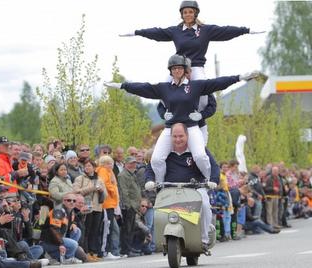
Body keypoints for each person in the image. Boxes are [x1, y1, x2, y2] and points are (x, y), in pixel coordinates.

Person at [105, 55, 258, 184]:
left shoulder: (195, 86)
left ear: (185, 70)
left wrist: (240, 77)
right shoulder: (164, 88)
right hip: (170, 128)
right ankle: (162, 182)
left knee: (199, 155)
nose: (177, 71)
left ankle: (208, 180)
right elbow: (142, 87)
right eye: (174, 69)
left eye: (179, 68)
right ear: (171, 71)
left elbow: (217, 83)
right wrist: (121, 86)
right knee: (157, 159)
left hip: (191, 127)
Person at [119, 0, 264, 80]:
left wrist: (247, 30)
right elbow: (157, 32)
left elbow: (226, 30)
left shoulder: (205, 30)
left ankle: (199, 119)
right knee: (164, 87)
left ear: (195, 14)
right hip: (179, 68)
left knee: (203, 90)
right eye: (185, 13)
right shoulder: (175, 31)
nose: (187, 15)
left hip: (197, 68)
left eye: (190, 12)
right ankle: (169, 114)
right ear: (181, 15)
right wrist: (136, 32)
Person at [145, 123, 219, 253]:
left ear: (187, 135)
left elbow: (213, 165)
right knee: (160, 212)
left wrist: (213, 180)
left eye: (181, 136)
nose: (177, 139)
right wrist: (149, 180)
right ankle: (163, 239)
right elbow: (151, 166)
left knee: (206, 205)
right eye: (174, 136)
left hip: (195, 188)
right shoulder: (165, 152)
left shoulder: (197, 150)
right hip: (171, 189)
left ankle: (203, 240)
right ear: (170, 137)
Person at [0, 194, 47, 268]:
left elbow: (28, 235)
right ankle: (27, 263)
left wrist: (26, 220)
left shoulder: (17, 216)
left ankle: (20, 260)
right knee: (21, 245)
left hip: (12, 246)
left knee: (37, 248)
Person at [73, 158, 107, 261]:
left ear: (94, 168)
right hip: (86, 207)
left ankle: (92, 252)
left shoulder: (99, 179)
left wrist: (101, 190)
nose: (87, 168)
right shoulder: (80, 178)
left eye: (89, 166)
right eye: (86, 166)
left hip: (97, 207)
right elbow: (75, 191)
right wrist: (89, 188)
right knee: (86, 230)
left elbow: (105, 195)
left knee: (94, 231)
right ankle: (86, 251)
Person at [39, 193, 83, 265]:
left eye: (74, 201)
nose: (72, 202)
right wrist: (61, 244)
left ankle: (68, 256)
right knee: (74, 245)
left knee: (77, 231)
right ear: (63, 201)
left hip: (58, 238)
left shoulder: (71, 210)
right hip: (48, 241)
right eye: (69, 200)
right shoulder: (58, 211)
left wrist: (74, 223)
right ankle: (53, 256)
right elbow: (54, 229)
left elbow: (71, 220)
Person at [118, 156, 142, 258]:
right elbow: (124, 191)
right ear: (126, 164)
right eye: (131, 163)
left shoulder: (132, 174)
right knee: (126, 229)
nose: (133, 165)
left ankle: (129, 248)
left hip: (134, 205)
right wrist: (128, 206)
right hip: (129, 206)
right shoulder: (123, 175)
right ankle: (125, 250)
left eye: (134, 163)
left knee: (131, 229)